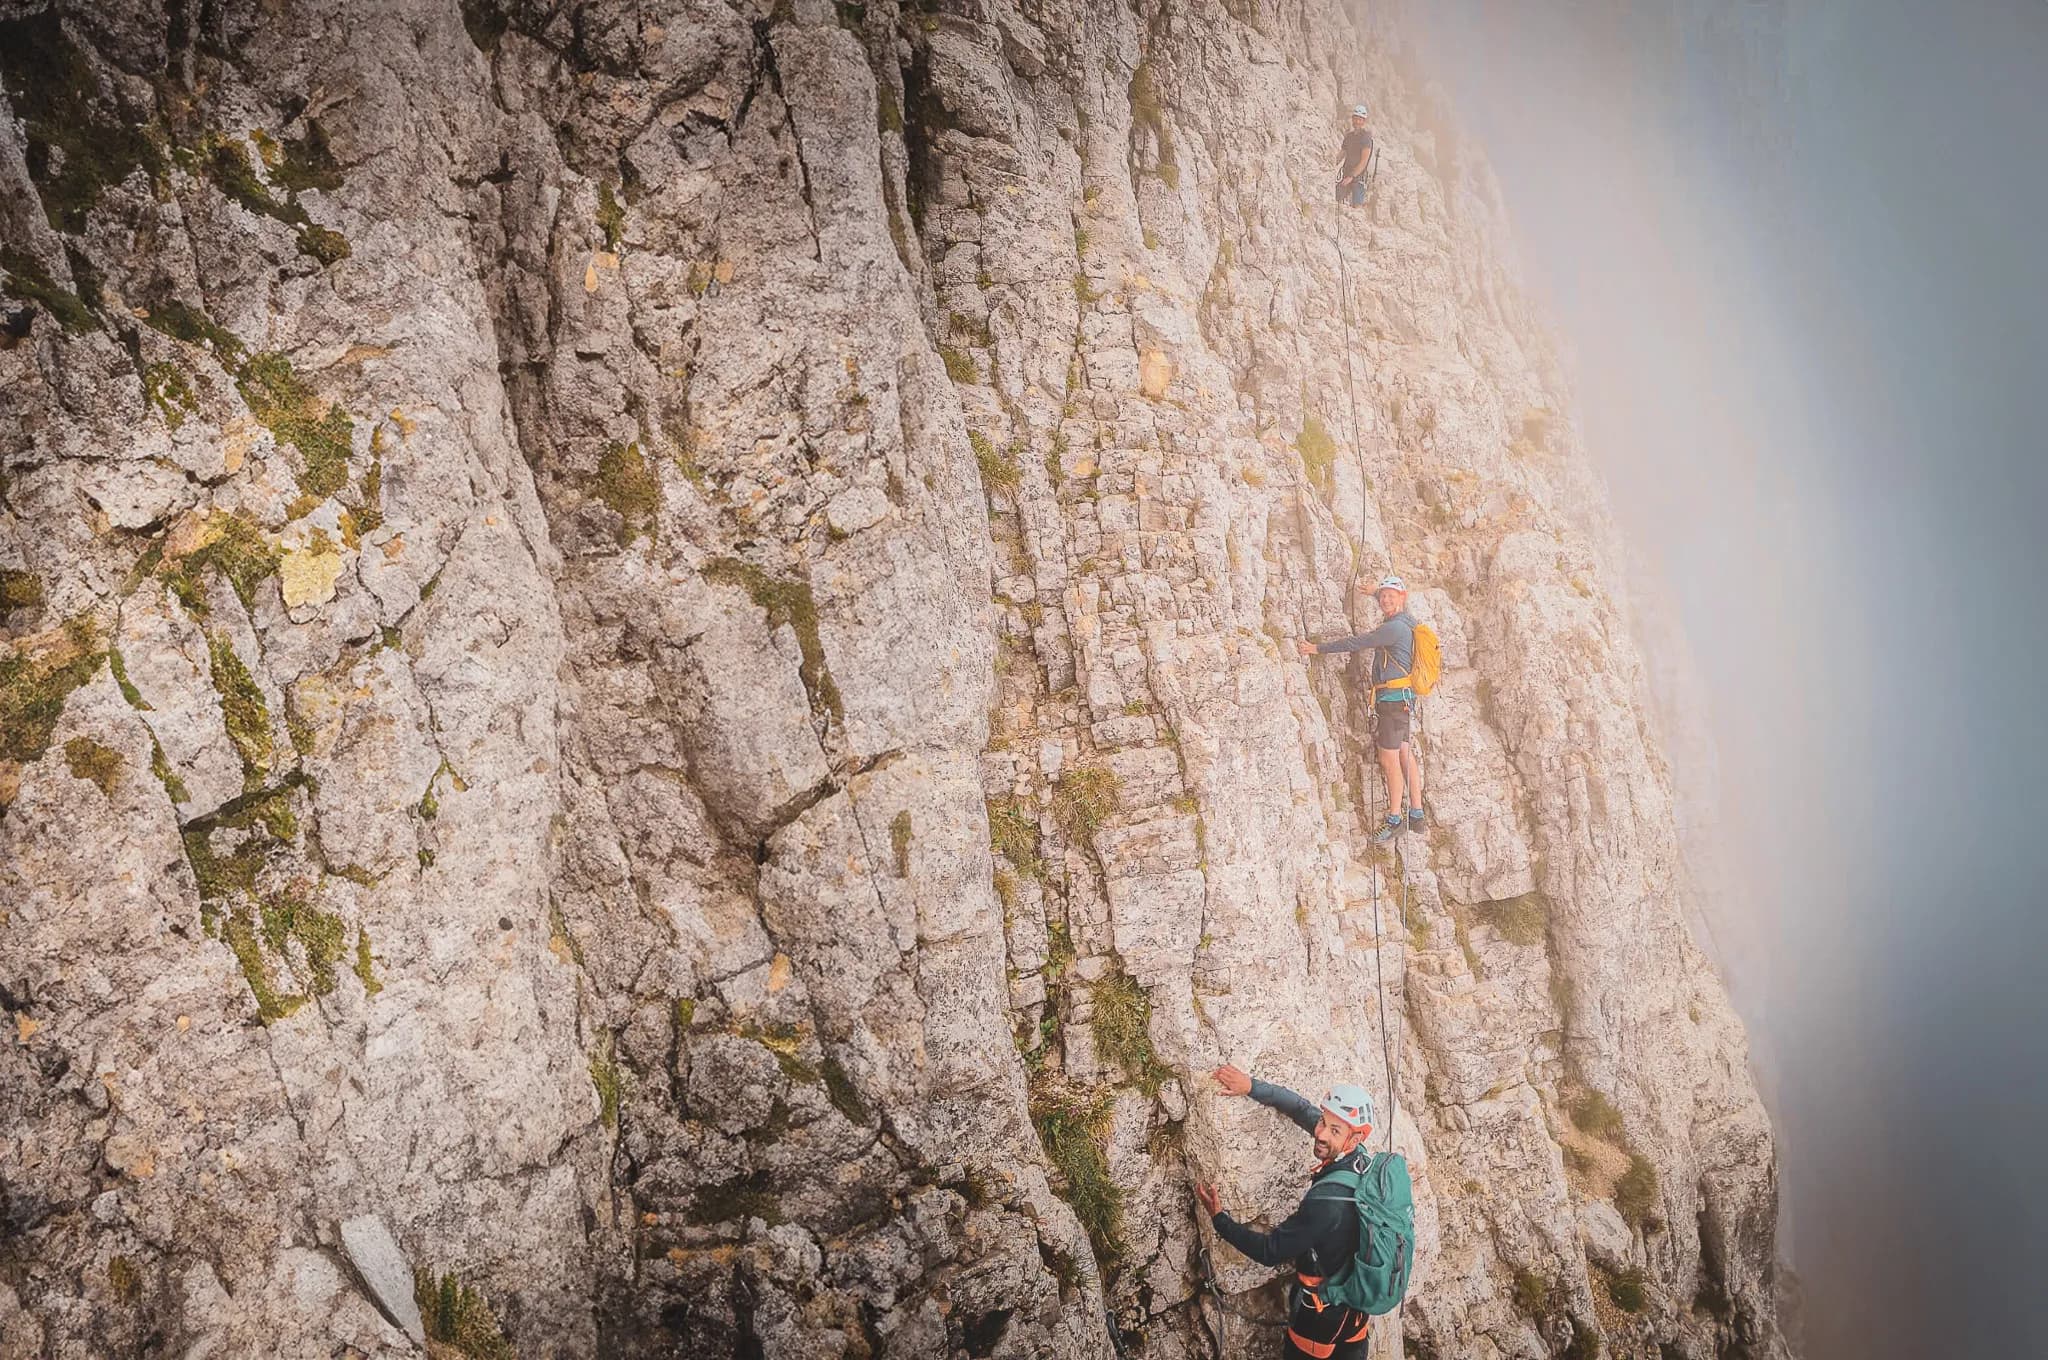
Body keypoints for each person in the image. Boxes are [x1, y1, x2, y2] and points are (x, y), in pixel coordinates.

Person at [1195, 1065, 1379, 1359]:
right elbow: (1301, 1108)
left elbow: (1270, 1251)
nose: (1320, 1133)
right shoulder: (1362, 1163)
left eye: (1334, 1130)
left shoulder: (1326, 1203)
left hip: (1319, 1321)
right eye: (1323, 1122)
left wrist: (1219, 1220)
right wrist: (1250, 1086)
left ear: (1354, 1138)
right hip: (1355, 1320)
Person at [1297, 575, 1425, 843]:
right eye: (1383, 597)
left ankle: (1395, 820)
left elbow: (1357, 643)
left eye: (1391, 596)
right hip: (1404, 699)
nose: (1385, 600)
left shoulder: (1393, 630)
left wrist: (1317, 648)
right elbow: (1389, 599)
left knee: (1389, 758)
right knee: (1404, 752)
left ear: (1403, 598)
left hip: (1391, 702)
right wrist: (1376, 592)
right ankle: (1416, 812)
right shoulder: (1409, 623)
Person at [1335, 105, 1373, 208]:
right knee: (1338, 199)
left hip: (1358, 177)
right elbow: (1341, 154)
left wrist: (1351, 176)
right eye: (1356, 118)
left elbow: (1364, 161)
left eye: (1360, 119)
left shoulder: (1366, 138)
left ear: (1364, 121)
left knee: (1357, 207)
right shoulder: (1349, 137)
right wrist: (1330, 164)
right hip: (1347, 174)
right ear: (1352, 119)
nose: (1357, 121)